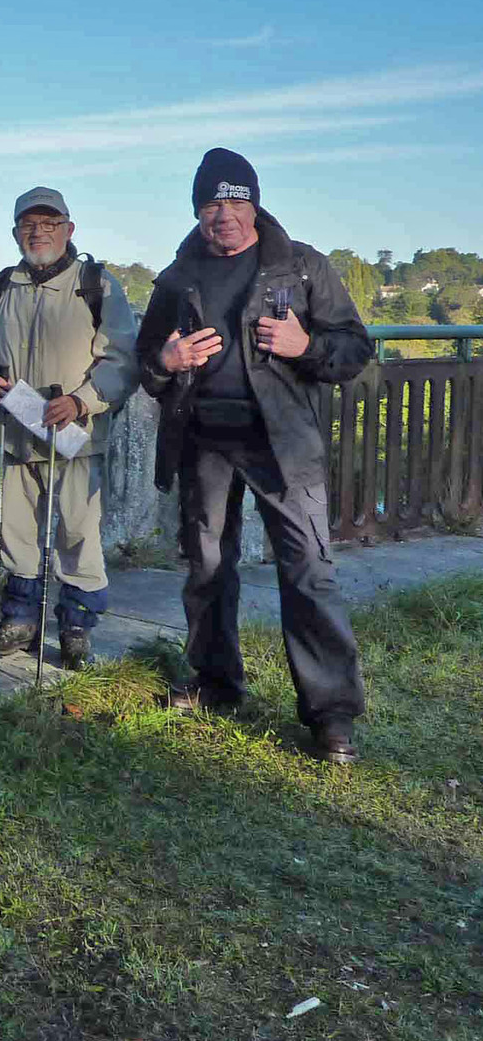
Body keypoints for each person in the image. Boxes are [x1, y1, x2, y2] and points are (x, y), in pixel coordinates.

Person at [135, 149, 371, 763]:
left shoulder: (301, 267)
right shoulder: (176, 278)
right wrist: (166, 364)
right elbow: (146, 364)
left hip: (283, 444)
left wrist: (306, 344)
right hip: (204, 443)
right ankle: (216, 682)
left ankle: (331, 716)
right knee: (208, 568)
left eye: (237, 201)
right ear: (197, 210)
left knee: (308, 571)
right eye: (212, 203)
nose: (225, 215)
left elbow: (352, 349)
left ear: (256, 205)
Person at [0, 186, 138, 668]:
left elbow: (123, 359)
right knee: (16, 535)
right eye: (29, 224)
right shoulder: (4, 285)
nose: (38, 232)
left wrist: (81, 400)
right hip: (17, 433)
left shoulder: (96, 283)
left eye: (49, 223)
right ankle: (20, 619)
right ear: (15, 231)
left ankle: (77, 627)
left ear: (69, 229)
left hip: (75, 438)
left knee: (79, 536)